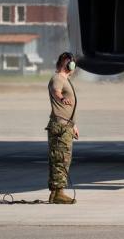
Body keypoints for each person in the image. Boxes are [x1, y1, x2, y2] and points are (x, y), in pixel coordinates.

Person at [47, 52, 79, 204]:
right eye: (72, 63)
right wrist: (61, 98)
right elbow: (55, 90)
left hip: (66, 125)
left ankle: (55, 193)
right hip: (60, 127)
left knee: (61, 159)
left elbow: (69, 109)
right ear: (67, 64)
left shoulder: (65, 80)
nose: (74, 66)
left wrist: (74, 125)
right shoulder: (58, 78)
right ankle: (59, 193)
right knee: (61, 159)